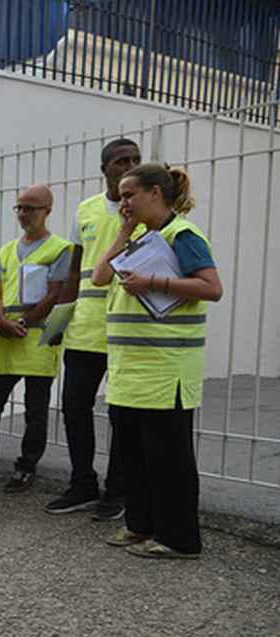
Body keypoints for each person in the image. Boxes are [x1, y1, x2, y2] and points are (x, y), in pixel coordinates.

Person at [91, 163, 222, 559]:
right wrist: (124, 231)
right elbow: (99, 277)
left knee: (168, 460)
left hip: (166, 371)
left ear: (155, 193)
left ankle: (179, 539)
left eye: (130, 194)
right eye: (121, 196)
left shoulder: (183, 235)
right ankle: (141, 525)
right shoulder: (140, 239)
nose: (123, 202)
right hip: (131, 370)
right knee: (134, 456)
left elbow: (211, 287)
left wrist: (153, 282)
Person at [47, 137, 143, 518]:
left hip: (127, 327)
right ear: (104, 169)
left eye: (136, 160)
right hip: (85, 327)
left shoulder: (145, 211)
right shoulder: (86, 209)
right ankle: (82, 483)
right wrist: (60, 319)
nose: (130, 166)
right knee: (74, 406)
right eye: (122, 161)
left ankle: (117, 491)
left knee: (122, 414)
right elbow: (74, 270)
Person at [0, 184, 72, 493]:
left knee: (35, 411)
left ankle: (26, 467)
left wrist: (23, 322)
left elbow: (55, 294)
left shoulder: (60, 249)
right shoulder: (7, 249)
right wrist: (2, 320)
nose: (23, 214)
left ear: (47, 210)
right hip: (6, 337)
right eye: (20, 208)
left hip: (36, 337)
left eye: (30, 208)